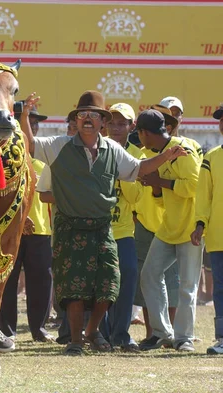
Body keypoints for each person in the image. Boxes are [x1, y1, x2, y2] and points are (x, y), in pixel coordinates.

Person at [21, 91, 187, 356]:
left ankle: (92, 330)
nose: (87, 119)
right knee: (74, 289)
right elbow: (29, 144)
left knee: (110, 284)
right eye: (82, 114)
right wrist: (24, 115)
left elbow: (139, 169)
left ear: (102, 122)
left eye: (94, 115)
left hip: (102, 226)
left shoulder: (113, 149)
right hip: (70, 226)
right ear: (75, 120)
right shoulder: (58, 144)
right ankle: (76, 340)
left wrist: (166, 157)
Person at [138, 109, 202, 352]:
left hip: (191, 228)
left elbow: (194, 186)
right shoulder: (159, 154)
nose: (140, 138)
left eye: (139, 133)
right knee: (149, 275)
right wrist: (156, 188)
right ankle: (163, 332)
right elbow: (163, 200)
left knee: (187, 286)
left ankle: (184, 338)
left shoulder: (180, 149)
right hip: (169, 227)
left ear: (145, 133)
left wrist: (160, 182)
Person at [0, 106, 54, 345]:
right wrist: (18, 218)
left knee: (41, 280)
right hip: (10, 227)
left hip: (41, 228)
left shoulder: (46, 153)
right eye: (27, 120)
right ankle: (6, 329)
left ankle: (39, 328)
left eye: (36, 121)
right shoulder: (4, 151)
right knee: (7, 281)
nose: (33, 125)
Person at [102, 103, 144, 351]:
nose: (116, 127)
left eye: (122, 123)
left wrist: (121, 167)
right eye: (113, 122)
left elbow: (136, 196)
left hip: (124, 230)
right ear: (105, 124)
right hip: (98, 228)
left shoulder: (138, 154)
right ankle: (102, 335)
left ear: (132, 126)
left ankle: (121, 334)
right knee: (101, 285)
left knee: (128, 276)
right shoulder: (96, 148)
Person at [190, 104, 223, 354]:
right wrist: (200, 224)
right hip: (219, 236)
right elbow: (204, 196)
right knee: (220, 289)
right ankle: (222, 339)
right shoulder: (211, 157)